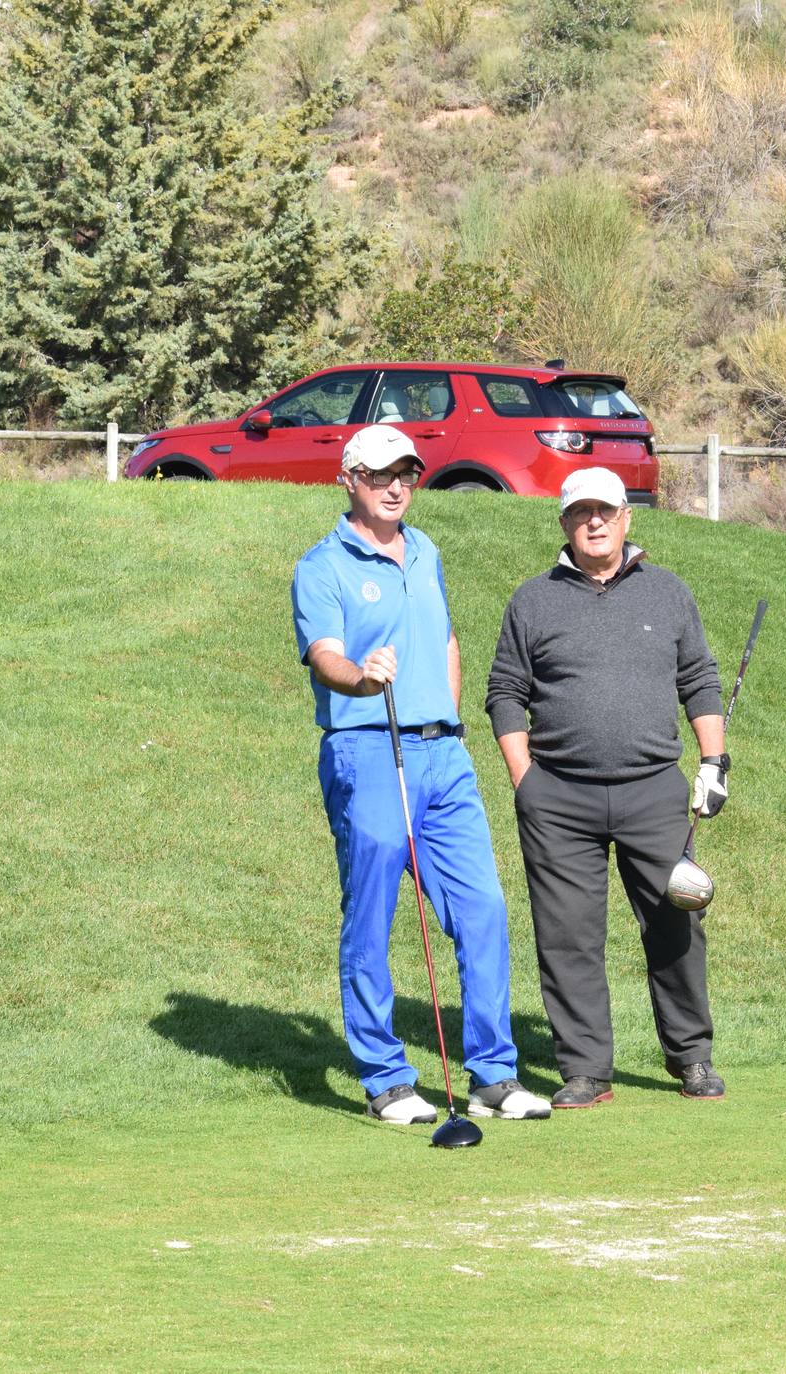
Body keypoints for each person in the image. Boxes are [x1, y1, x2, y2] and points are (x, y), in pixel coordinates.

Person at [291, 424, 552, 1125]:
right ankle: (386, 1081)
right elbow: (325, 656)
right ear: (347, 478)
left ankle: (494, 1077)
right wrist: (362, 677)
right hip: (366, 748)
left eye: (405, 471)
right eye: (380, 474)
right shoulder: (322, 565)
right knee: (371, 917)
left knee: (482, 911)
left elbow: (443, 637)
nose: (396, 485)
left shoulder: (425, 548)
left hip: (443, 756)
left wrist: (452, 718)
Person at [484, 467, 731, 1108]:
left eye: (607, 511)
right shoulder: (533, 600)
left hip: (652, 790)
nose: (595, 522)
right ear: (564, 522)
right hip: (559, 796)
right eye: (581, 511)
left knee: (676, 923)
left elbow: (700, 678)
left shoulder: (668, 592)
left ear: (628, 518)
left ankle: (692, 1058)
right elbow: (505, 693)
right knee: (567, 934)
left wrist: (714, 761)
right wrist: (526, 781)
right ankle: (586, 1070)